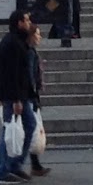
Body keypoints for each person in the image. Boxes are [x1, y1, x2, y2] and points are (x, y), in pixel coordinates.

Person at [0, 10, 37, 185]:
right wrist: (16, 99)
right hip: (14, 95)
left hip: (20, 94)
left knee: (27, 126)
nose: (29, 22)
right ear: (18, 23)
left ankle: (14, 164)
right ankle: (2, 170)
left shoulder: (18, 41)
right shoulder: (12, 43)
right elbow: (10, 73)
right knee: (9, 131)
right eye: (26, 20)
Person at [23, 22, 51, 177]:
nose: (40, 37)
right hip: (28, 96)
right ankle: (22, 164)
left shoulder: (30, 51)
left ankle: (35, 164)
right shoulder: (30, 53)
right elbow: (30, 75)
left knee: (31, 128)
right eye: (37, 34)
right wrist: (34, 95)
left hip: (29, 95)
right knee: (30, 127)